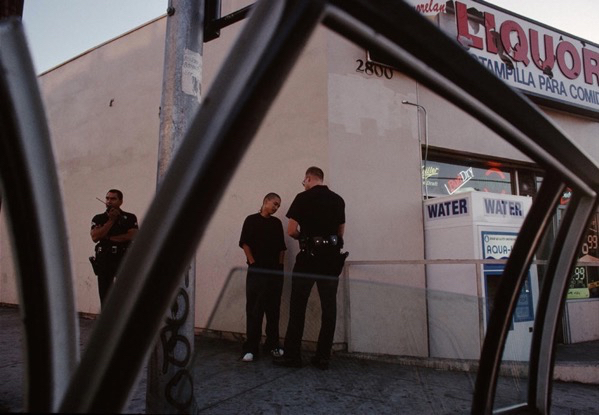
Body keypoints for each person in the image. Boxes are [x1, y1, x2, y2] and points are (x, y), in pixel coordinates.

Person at [274, 167, 346, 370]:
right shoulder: (338, 200)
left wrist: (303, 238)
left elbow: (291, 231)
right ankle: (323, 357)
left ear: (308, 178)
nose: (303, 184)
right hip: (331, 260)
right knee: (329, 308)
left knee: (298, 307)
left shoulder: (303, 198)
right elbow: (341, 233)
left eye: (304, 181)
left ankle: (292, 357)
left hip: (308, 258)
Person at [239, 192, 287, 362]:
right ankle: (251, 348)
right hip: (256, 272)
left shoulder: (276, 223)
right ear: (266, 201)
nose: (276, 207)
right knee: (254, 310)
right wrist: (252, 263)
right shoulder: (251, 220)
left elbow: (282, 248)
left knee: (273, 311)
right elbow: (245, 243)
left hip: (274, 273)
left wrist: (280, 268)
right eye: (275, 203)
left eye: (278, 206)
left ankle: (272, 345)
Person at [90, 189, 138, 308]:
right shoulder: (99, 218)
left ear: (120, 201)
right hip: (105, 259)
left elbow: (133, 235)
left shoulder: (129, 217)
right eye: (107, 198)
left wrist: (108, 237)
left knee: (125, 292)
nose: (109, 201)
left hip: (123, 257)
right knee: (105, 293)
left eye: (113, 199)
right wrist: (111, 221)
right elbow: (95, 236)